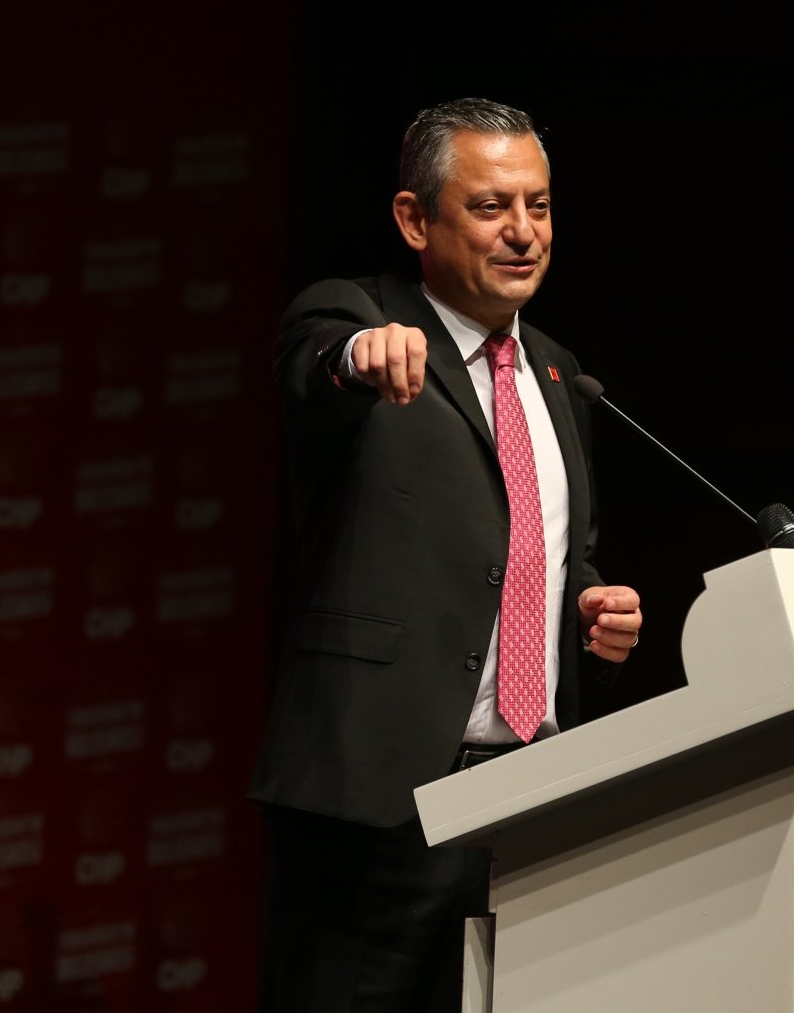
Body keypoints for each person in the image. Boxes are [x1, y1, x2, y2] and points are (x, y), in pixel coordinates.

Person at [248, 97, 643, 1012]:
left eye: (538, 207)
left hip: (528, 805)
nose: (523, 234)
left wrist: (586, 600)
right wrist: (361, 353)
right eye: (490, 207)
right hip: (379, 811)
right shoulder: (358, 317)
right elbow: (320, 365)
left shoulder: (556, 370)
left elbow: (552, 550)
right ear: (414, 219)